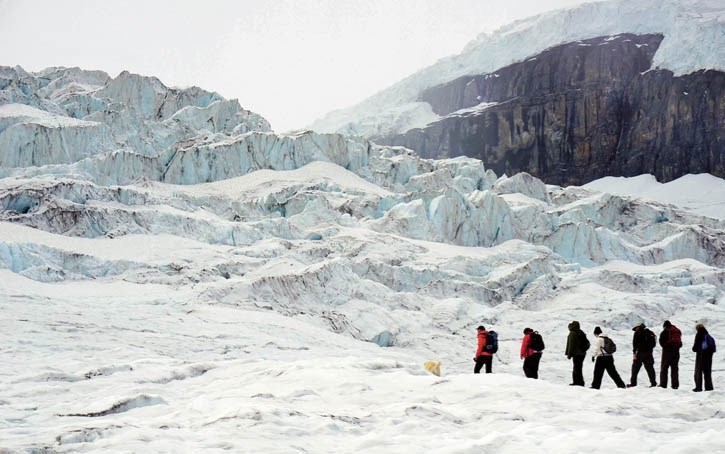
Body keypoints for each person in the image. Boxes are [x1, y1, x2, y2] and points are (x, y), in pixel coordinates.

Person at [627, 323, 657, 388]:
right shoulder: (650, 332)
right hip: (649, 353)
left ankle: (633, 383)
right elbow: (654, 344)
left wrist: (634, 353)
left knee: (635, 369)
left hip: (640, 353)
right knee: (650, 369)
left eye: (636, 328)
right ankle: (653, 383)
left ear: (638, 327)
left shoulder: (637, 333)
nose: (636, 329)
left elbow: (635, 344)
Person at [692, 323, 717, 392]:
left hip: (701, 355)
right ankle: (709, 387)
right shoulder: (708, 335)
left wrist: (694, 349)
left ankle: (698, 387)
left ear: (697, 328)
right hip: (709, 356)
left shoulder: (699, 334)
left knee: (698, 371)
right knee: (707, 372)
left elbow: (695, 347)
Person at [659, 320, 682, 389]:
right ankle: (675, 385)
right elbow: (680, 343)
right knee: (674, 369)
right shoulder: (677, 331)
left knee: (664, 368)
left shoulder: (665, 331)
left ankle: (663, 384)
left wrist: (666, 346)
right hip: (676, 352)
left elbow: (661, 342)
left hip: (667, 352)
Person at [565, 321, 589, 386]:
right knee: (578, 368)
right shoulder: (581, 332)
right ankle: (578, 382)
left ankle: (578, 382)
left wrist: (569, 354)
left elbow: (571, 345)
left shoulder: (572, 333)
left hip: (577, 354)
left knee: (576, 368)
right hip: (582, 353)